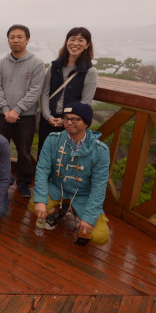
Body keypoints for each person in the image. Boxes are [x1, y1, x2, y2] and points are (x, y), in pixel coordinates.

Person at [31, 102, 110, 246]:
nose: (68, 122)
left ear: (86, 123)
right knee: (35, 205)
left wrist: (89, 218)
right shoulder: (53, 139)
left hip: (82, 194)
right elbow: (42, 169)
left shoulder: (100, 150)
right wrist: (41, 199)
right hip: (57, 187)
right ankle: (60, 209)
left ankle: (76, 212)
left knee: (100, 237)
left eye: (75, 119)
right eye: (66, 118)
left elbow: (99, 186)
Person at [0, 25, 45, 198]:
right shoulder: (0, 64)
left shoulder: (36, 64)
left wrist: (17, 110)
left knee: (24, 151)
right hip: (2, 115)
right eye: (12, 37)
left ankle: (24, 181)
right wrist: (6, 110)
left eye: (19, 37)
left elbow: (35, 91)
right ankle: (0, 178)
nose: (15, 40)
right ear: (8, 40)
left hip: (26, 116)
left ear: (27, 39)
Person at [38, 27, 97, 153]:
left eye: (81, 40)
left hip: (72, 124)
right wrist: (47, 116)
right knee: (44, 155)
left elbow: (85, 102)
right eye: (72, 39)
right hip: (48, 121)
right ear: (67, 42)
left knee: (65, 158)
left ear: (87, 45)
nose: (75, 43)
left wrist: (66, 120)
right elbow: (45, 92)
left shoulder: (90, 71)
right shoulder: (54, 66)